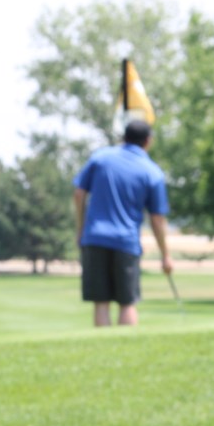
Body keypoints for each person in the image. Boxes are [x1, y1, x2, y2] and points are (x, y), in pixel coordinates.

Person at [73, 120, 174, 327]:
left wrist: (80, 229)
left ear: (123, 137)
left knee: (101, 302)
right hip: (126, 242)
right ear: (148, 141)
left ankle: (104, 351)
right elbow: (157, 219)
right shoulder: (151, 171)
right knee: (127, 303)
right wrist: (165, 255)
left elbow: (79, 192)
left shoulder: (100, 158)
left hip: (94, 237)